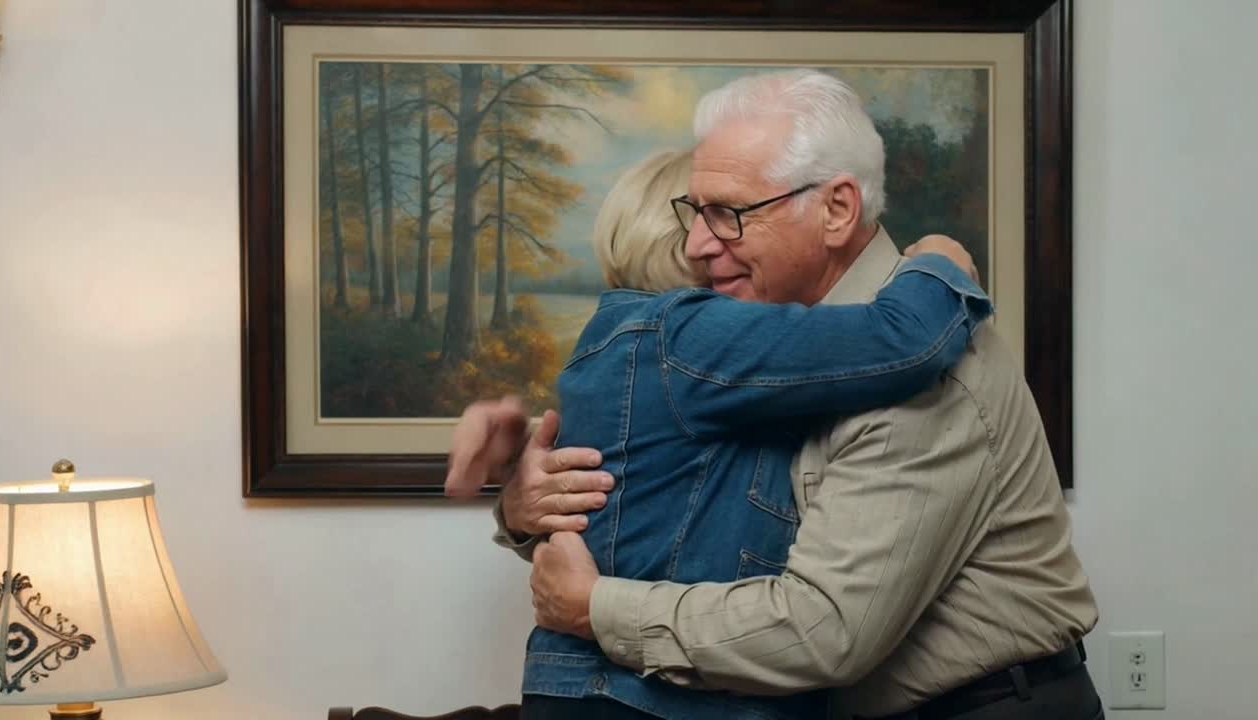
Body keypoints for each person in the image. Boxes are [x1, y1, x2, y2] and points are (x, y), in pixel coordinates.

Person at [456, 69, 1102, 720]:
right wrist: (525, 496)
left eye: (728, 214)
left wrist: (597, 607)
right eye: (695, 211)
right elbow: (666, 492)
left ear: (837, 209)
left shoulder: (916, 371)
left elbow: (824, 631)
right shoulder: (776, 356)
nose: (698, 244)